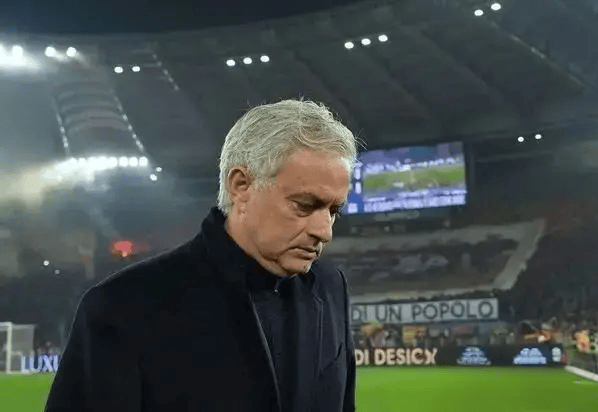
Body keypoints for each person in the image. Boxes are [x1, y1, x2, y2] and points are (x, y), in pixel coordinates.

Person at [45, 98, 361, 412]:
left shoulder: (330, 287)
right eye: (304, 206)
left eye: (334, 211)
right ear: (241, 186)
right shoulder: (121, 307)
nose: (325, 231)